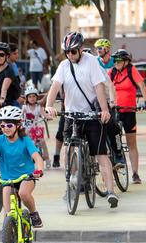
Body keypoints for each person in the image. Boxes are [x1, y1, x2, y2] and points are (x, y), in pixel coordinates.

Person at [45, 31, 119, 208]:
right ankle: (71, 182)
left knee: (101, 154)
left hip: (92, 115)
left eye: (73, 52)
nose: (70, 55)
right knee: (69, 149)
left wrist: (103, 110)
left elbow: (99, 87)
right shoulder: (64, 65)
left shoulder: (91, 62)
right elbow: (55, 86)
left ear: (80, 49)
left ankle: (110, 191)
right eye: (67, 52)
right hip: (72, 115)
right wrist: (49, 106)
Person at [0, 106, 44, 243]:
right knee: (8, 212)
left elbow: (37, 157)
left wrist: (39, 169)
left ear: (18, 125)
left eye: (9, 125)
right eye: (2, 125)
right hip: (7, 179)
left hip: (26, 177)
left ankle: (34, 213)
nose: (6, 128)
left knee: (23, 193)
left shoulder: (25, 140)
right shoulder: (0, 140)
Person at [109, 49, 145, 184]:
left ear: (125, 61)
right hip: (116, 111)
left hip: (129, 111)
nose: (116, 63)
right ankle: (116, 160)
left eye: (118, 61)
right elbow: (104, 85)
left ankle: (135, 173)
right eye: (115, 61)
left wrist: (145, 102)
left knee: (131, 143)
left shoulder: (131, 70)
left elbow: (141, 84)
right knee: (114, 138)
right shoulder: (112, 72)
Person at [21, 84, 50, 167]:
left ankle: (47, 158)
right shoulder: (25, 107)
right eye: (30, 97)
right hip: (27, 127)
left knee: (42, 141)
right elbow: (20, 115)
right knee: (24, 140)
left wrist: (49, 116)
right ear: (27, 98)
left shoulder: (39, 107)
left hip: (36, 127)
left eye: (34, 96)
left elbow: (44, 114)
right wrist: (19, 119)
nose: (32, 98)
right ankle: (24, 158)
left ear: (37, 97)